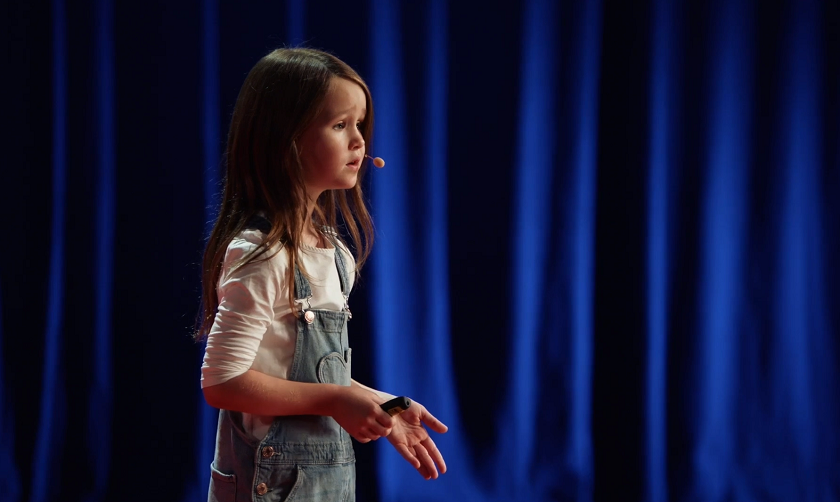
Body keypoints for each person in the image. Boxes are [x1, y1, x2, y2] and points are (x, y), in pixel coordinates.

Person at [196, 47, 448, 501]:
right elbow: (222, 381)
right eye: (339, 126)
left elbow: (320, 377)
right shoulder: (261, 254)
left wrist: (384, 407)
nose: (359, 141)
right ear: (286, 140)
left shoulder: (334, 255)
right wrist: (335, 401)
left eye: (359, 125)